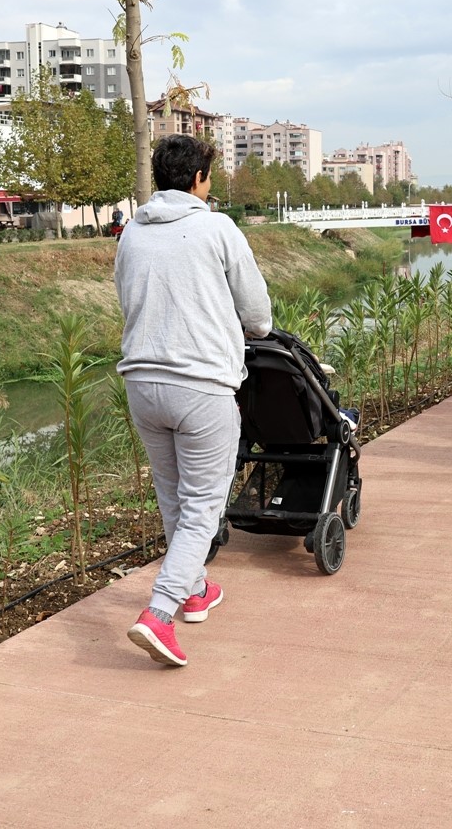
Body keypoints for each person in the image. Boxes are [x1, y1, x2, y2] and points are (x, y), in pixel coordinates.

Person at [115, 134, 274, 666]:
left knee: (173, 495)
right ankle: (159, 614)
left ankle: (195, 590)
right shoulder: (216, 227)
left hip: (141, 380)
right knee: (203, 506)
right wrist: (252, 329)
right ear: (199, 179)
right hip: (201, 385)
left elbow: (128, 296)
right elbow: (255, 311)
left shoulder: (131, 233)